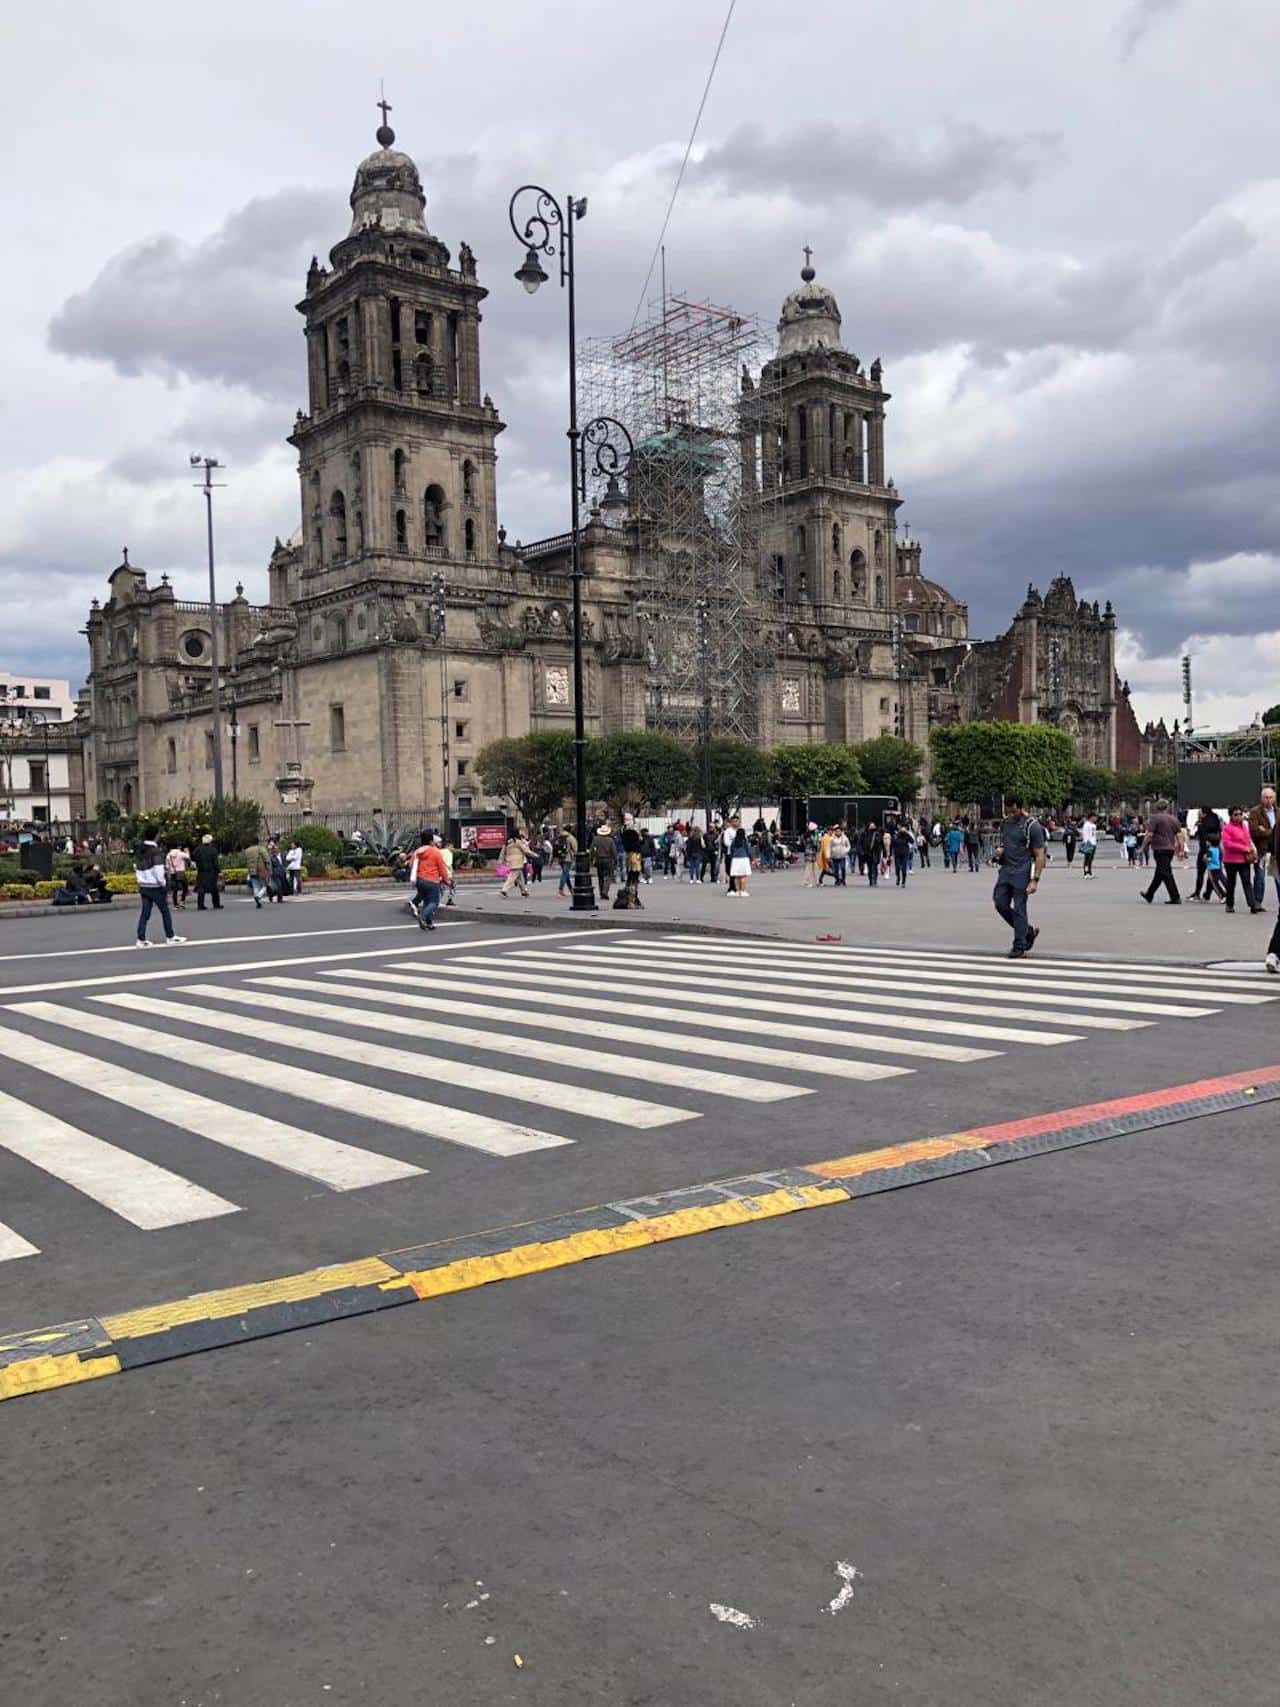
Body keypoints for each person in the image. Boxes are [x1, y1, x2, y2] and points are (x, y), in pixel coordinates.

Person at [992, 795, 1045, 958]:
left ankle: (1020, 945)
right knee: (1000, 903)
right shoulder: (1006, 824)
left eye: (1013, 811)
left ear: (1020, 807)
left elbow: (1039, 854)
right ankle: (1027, 931)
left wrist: (1035, 880)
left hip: (1022, 872)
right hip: (1006, 871)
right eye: (1008, 811)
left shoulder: (1032, 826)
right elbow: (1005, 843)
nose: (1010, 814)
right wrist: (1000, 851)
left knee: (1020, 907)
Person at [132, 825, 186, 948]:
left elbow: (137, 868)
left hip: (143, 885)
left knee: (145, 913)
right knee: (165, 911)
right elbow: (158, 870)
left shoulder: (140, 850)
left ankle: (141, 939)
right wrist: (163, 884)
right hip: (155, 886)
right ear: (156, 836)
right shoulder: (155, 851)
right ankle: (170, 936)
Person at [1139, 800, 1185, 906]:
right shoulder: (1173, 819)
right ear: (1167, 808)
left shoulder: (1154, 818)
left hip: (1160, 848)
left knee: (1165, 873)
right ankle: (1149, 894)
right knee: (1160, 872)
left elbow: (1149, 834)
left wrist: (1142, 847)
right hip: (1170, 849)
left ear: (1156, 807)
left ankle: (1175, 897)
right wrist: (1181, 849)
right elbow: (1179, 835)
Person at [407, 829, 450, 930]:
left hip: (419, 880)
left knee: (427, 901)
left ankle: (429, 923)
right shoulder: (435, 852)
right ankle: (423, 917)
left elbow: (411, 865)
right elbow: (442, 868)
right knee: (434, 902)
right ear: (431, 841)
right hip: (432, 880)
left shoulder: (417, 851)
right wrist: (446, 880)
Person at [1220, 806, 1260, 914]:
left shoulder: (1244, 826)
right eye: (1235, 814)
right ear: (1231, 816)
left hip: (1244, 860)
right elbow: (1227, 844)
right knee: (1231, 883)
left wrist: (1252, 850)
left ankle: (1252, 904)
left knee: (1247, 881)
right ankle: (1229, 904)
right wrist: (1243, 848)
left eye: (1240, 814)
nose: (1238, 817)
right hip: (1231, 860)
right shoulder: (1227, 828)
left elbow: (1248, 840)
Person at [1248, 786, 1279, 911]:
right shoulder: (1255, 812)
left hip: (1275, 850)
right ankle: (1257, 901)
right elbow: (1254, 831)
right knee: (1260, 876)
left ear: (1274, 798)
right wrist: (1272, 832)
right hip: (1262, 849)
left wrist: (1265, 831)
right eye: (1266, 797)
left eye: (1271, 797)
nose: (1268, 800)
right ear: (1262, 798)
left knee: (1277, 877)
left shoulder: (1278, 811)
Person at [1190, 806, 1221, 901]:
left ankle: (1197, 893)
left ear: (1204, 813)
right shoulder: (1215, 820)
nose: (1198, 813)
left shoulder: (1203, 823)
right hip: (1215, 849)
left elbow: (1203, 839)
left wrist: (1204, 852)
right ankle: (1207, 893)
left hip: (1205, 850)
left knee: (1201, 873)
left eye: (1199, 812)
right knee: (1213, 872)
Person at [499, 830, 532, 898]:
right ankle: (504, 890)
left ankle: (524, 891)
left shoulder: (507, 842)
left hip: (510, 861)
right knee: (512, 877)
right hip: (518, 862)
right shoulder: (517, 841)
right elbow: (526, 850)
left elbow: (503, 851)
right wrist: (535, 855)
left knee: (519, 878)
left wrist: (501, 860)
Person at [193, 833, 221, 910]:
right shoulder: (213, 850)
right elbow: (215, 862)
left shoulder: (197, 849)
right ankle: (216, 904)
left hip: (201, 871)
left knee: (201, 888)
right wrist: (219, 870)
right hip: (211, 871)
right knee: (214, 888)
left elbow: (194, 858)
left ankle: (200, 905)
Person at [727, 823, 752, 897]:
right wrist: (751, 857)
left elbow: (731, 850)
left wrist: (732, 856)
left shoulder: (734, 841)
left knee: (737, 877)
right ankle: (743, 891)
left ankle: (737, 891)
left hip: (735, 859)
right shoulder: (744, 841)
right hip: (744, 859)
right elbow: (748, 850)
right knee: (743, 876)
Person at [591, 823, 615, 900]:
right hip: (608, 860)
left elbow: (592, 850)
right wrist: (615, 859)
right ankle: (605, 891)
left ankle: (601, 892)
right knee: (608, 877)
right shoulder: (610, 840)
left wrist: (591, 858)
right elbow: (613, 851)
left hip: (599, 860)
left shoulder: (595, 839)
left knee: (600, 877)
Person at [165, 841, 190, 910]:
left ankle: (175, 905)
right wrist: (187, 851)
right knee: (185, 887)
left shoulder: (168, 855)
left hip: (173, 873)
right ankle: (182, 901)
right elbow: (188, 857)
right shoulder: (181, 853)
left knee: (175, 890)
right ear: (178, 847)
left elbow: (167, 866)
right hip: (181, 872)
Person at [554, 827, 577, 898]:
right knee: (565, 874)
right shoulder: (570, 837)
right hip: (568, 858)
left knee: (566, 874)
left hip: (560, 857)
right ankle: (560, 890)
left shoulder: (560, 836)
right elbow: (575, 848)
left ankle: (571, 890)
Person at [892, 819, 914, 886]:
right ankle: (898, 877)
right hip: (897, 853)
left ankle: (903, 882)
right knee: (897, 867)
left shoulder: (907, 836)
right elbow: (893, 843)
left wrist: (906, 833)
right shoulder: (896, 835)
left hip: (905, 853)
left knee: (904, 868)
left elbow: (912, 841)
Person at [860, 819, 882, 886]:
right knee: (870, 868)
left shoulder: (877, 834)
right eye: (871, 826)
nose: (872, 827)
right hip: (867, 853)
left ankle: (874, 880)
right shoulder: (864, 834)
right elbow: (861, 843)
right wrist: (862, 851)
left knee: (874, 867)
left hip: (875, 853)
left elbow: (880, 843)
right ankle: (870, 880)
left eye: (873, 826)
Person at [1079, 812, 1098, 879]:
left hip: (1093, 844)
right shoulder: (1086, 825)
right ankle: (1086, 873)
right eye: (1094, 817)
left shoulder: (1093, 825)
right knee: (1087, 859)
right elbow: (1085, 834)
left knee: (1090, 860)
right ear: (1091, 817)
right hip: (1088, 844)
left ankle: (1090, 872)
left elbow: (1094, 835)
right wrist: (1086, 843)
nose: (1096, 818)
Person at [801, 822, 820, 888]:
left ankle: (810, 882)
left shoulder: (805, 836)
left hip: (808, 853)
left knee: (810, 868)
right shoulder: (812, 837)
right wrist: (817, 839)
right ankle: (809, 882)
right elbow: (816, 844)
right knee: (811, 869)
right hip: (811, 853)